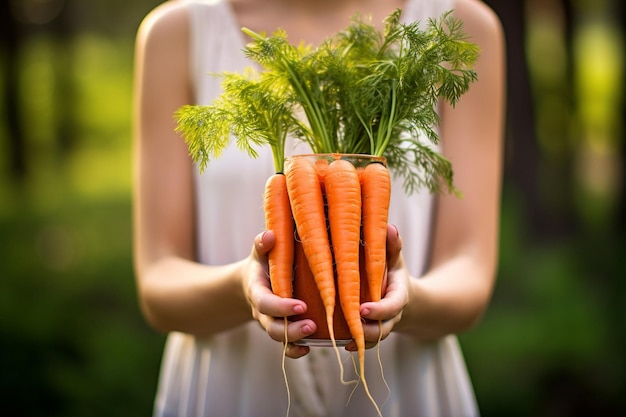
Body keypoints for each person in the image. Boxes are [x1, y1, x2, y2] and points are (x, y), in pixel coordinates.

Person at [132, 0, 505, 416]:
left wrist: (406, 299)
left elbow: (469, 272)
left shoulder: (461, 26)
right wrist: (243, 289)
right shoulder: (176, 30)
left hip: (404, 395)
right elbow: (157, 285)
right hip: (228, 394)